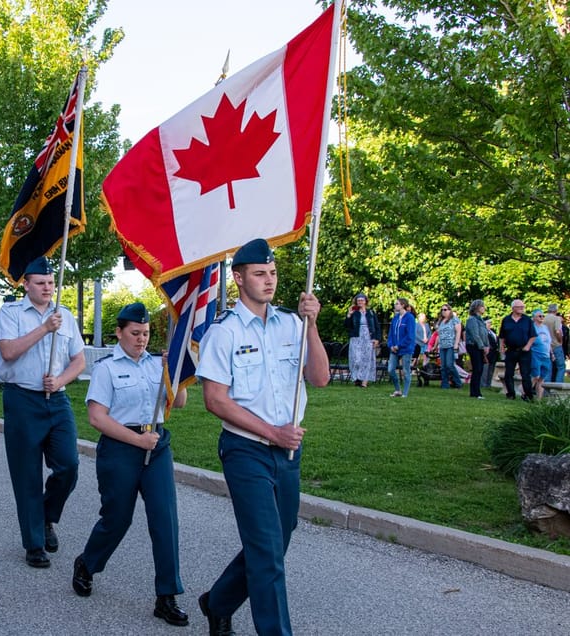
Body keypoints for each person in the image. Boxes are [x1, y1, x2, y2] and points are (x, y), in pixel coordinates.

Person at [195, 239, 329, 636]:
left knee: (276, 542)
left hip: (287, 453)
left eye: (272, 273)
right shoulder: (225, 331)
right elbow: (215, 400)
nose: (269, 280)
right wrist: (272, 432)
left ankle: (217, 602)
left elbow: (319, 378)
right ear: (238, 278)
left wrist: (313, 325)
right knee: (268, 554)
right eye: (259, 274)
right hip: (245, 450)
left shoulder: (293, 322)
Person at [72, 303, 189, 626]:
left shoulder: (156, 365)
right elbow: (97, 417)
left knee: (165, 520)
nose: (141, 339)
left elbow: (178, 403)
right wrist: (136, 441)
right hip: (121, 448)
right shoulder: (107, 369)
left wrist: (173, 374)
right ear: (120, 333)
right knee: (117, 519)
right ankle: (87, 563)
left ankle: (166, 596)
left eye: (146, 333)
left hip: (157, 447)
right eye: (135, 333)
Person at [0, 256, 86, 569]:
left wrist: (60, 379)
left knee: (69, 466)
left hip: (56, 399)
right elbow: (8, 352)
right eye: (41, 283)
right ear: (26, 284)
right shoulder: (11, 313)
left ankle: (46, 517)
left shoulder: (65, 316)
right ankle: (34, 544)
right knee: (27, 475)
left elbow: (79, 361)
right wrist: (44, 329)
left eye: (51, 283)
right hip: (22, 400)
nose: (48, 288)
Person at [499, 299, 535, 401]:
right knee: (509, 373)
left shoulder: (527, 320)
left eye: (523, 307)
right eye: (520, 307)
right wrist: (501, 347)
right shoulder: (506, 320)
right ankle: (511, 394)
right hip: (511, 350)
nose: (522, 309)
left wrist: (528, 346)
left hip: (524, 351)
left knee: (525, 374)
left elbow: (533, 336)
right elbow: (502, 336)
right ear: (513, 308)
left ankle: (528, 395)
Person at [344, 292, 378, 388]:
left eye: (362, 300)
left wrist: (376, 339)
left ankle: (365, 382)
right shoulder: (354, 313)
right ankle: (357, 378)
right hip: (356, 337)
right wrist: (349, 315)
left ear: (365, 301)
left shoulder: (371, 312)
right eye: (358, 300)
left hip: (368, 337)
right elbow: (347, 325)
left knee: (367, 359)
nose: (360, 302)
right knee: (356, 359)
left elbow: (376, 326)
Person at [387, 298, 416, 398]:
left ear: (403, 305)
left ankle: (405, 392)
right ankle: (397, 389)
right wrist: (391, 345)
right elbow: (391, 334)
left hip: (406, 348)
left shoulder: (409, 318)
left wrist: (399, 345)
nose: (395, 306)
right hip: (394, 348)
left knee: (405, 370)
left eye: (397, 304)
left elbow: (410, 335)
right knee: (390, 369)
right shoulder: (395, 318)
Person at [465, 300, 490, 400]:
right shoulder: (472, 320)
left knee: (479, 369)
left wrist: (487, 345)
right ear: (477, 307)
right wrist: (482, 346)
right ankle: (475, 392)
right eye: (482, 306)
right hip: (474, 346)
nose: (484, 308)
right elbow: (475, 335)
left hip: (480, 346)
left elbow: (484, 334)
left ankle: (477, 391)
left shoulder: (481, 320)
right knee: (477, 368)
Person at [435, 304, 462, 389]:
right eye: (442, 310)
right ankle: (445, 384)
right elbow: (439, 335)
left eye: (445, 309)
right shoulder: (440, 321)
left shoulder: (454, 320)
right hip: (442, 346)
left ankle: (458, 382)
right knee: (443, 366)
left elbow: (458, 332)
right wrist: (435, 346)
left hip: (451, 345)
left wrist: (456, 344)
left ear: (450, 310)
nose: (443, 311)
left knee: (450, 365)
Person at [530, 309, 553, 400]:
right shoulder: (532, 327)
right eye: (540, 316)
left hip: (546, 355)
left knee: (542, 378)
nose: (542, 317)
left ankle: (539, 399)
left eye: (543, 316)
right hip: (535, 354)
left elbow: (549, 342)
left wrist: (552, 354)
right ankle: (525, 392)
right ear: (534, 318)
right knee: (536, 376)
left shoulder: (545, 328)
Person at [543, 304, 565, 383]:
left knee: (548, 367)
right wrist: (560, 340)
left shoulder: (543, 319)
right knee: (561, 366)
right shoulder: (556, 319)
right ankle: (558, 387)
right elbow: (558, 331)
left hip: (546, 346)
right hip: (556, 345)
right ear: (556, 310)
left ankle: (546, 389)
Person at [482, 318, 500, 389]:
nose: (490, 324)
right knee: (485, 369)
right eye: (488, 323)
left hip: (494, 353)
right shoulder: (483, 332)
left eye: (490, 323)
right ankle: (483, 384)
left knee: (491, 370)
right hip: (487, 352)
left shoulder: (492, 332)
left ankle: (488, 384)